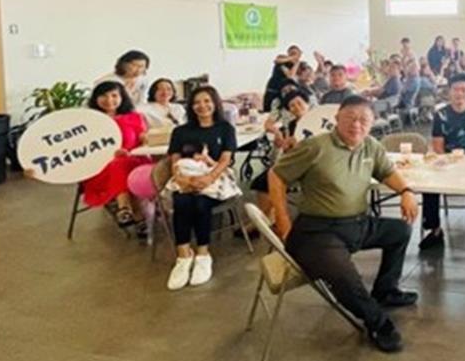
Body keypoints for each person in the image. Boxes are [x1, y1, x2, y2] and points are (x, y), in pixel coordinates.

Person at [269, 95, 420, 353]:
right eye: (350, 117)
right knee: (346, 277)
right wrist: (283, 221)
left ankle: (386, 290)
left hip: (356, 224)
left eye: (364, 120)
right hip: (317, 231)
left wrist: (406, 191)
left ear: (372, 123)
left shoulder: (371, 146)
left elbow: (387, 172)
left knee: (400, 230)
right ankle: (377, 323)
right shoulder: (316, 147)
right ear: (337, 118)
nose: (356, 125)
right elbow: (276, 175)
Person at [165, 86, 238, 290]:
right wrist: (182, 179)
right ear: (190, 106)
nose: (202, 106)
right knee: (182, 201)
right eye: (197, 102)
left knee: (200, 203)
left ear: (215, 103)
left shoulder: (225, 128)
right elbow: (175, 160)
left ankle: (203, 254)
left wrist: (209, 177)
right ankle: (183, 256)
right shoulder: (180, 131)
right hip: (185, 176)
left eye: (207, 101)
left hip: (215, 177)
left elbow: (225, 159)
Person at [419, 74, 465, 248]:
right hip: (447, 164)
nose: (459, 93)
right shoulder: (440, 114)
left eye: (463, 90)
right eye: (455, 89)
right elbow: (438, 147)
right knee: (428, 185)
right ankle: (435, 229)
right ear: (449, 92)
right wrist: (449, 164)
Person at [78, 81, 150, 229]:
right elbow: (84, 149)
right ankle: (135, 215)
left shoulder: (134, 117)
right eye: (103, 95)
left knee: (123, 164)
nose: (109, 100)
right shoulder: (89, 122)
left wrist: (142, 141)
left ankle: (126, 210)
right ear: (96, 98)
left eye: (114, 95)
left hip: (135, 160)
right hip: (102, 167)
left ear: (122, 97)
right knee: (119, 164)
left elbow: (143, 142)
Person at [250, 89, 313, 220]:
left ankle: (268, 218)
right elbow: (287, 152)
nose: (296, 107)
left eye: (299, 103)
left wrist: (298, 146)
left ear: (307, 103)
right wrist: (282, 145)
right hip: (294, 163)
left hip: (311, 165)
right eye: (292, 106)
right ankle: (268, 217)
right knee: (262, 181)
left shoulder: (317, 122)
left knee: (270, 181)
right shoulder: (291, 125)